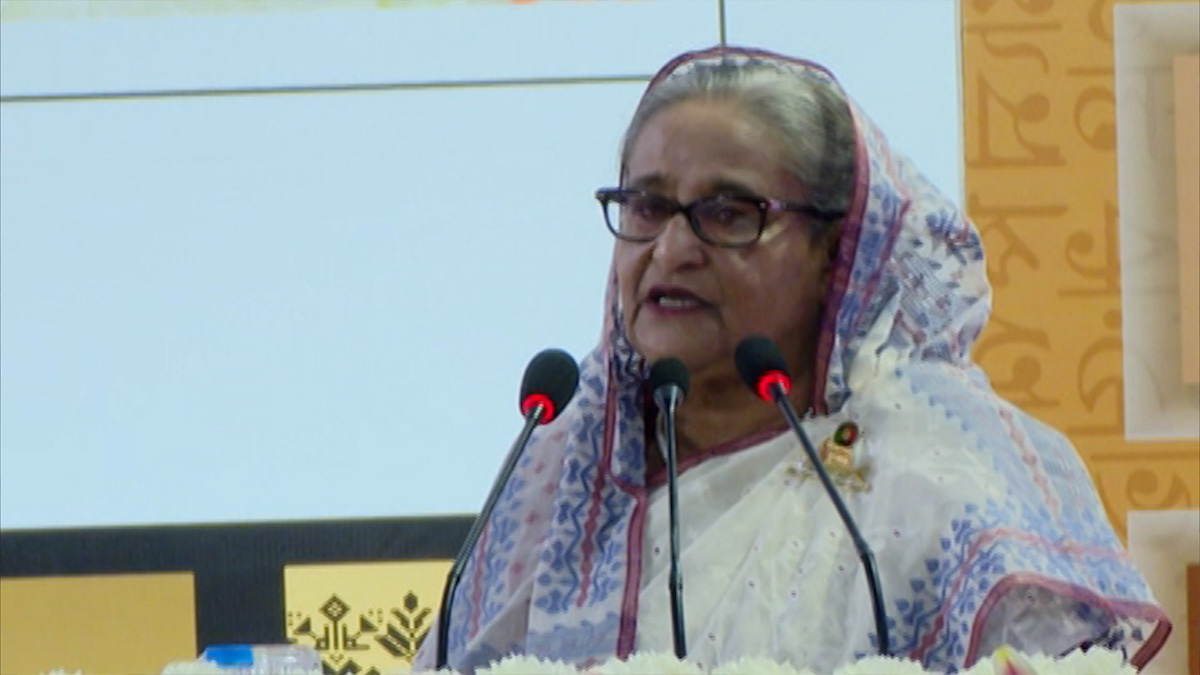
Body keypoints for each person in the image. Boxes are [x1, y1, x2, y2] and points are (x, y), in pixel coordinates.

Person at [413, 46, 1170, 674]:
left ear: (837, 253)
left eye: (728, 213)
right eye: (647, 206)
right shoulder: (565, 460)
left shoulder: (948, 473)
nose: (671, 250)